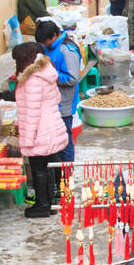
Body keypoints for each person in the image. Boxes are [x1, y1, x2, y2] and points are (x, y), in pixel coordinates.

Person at [0, 42, 67, 219]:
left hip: (40, 129)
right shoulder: (45, 72)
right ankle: (50, 202)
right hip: (52, 124)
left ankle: (42, 205)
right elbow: (57, 97)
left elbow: (32, 112)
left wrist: (27, 139)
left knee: (39, 167)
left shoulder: (32, 79)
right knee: (48, 165)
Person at [34, 19, 82, 174]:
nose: (45, 44)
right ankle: (58, 176)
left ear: (54, 35)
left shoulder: (67, 50)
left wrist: (50, 76)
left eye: (47, 41)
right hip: (51, 102)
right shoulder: (50, 47)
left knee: (65, 141)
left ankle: (66, 176)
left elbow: (72, 78)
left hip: (64, 104)